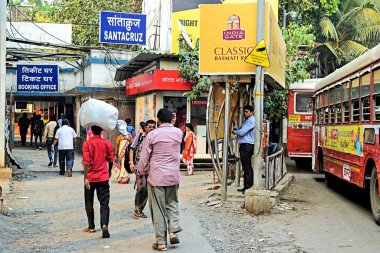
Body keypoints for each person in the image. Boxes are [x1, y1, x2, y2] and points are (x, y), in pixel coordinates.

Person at [138, 108, 183, 251]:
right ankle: (173, 230)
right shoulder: (178, 133)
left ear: (158, 120)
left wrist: (140, 173)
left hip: (156, 177)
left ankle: (161, 242)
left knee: (157, 209)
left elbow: (144, 157)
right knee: (172, 203)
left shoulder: (152, 135)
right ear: (171, 119)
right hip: (173, 176)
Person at [82, 125, 115, 238]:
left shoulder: (87, 143)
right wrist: (109, 171)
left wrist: (85, 177)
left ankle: (91, 227)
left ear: (91, 131)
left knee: (88, 201)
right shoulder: (107, 143)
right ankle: (104, 225)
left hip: (90, 177)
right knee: (104, 203)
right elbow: (111, 159)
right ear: (101, 131)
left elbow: (86, 162)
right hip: (103, 177)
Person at [130, 119, 156, 219]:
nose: (151, 129)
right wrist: (131, 162)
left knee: (147, 190)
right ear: (145, 127)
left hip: (150, 167)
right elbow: (132, 148)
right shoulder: (140, 136)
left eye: (153, 127)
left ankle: (140, 209)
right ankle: (137, 208)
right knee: (141, 187)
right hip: (139, 166)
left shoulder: (155, 137)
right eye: (149, 127)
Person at [233, 105, 255, 194]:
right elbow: (240, 130)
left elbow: (241, 132)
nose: (245, 114)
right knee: (245, 167)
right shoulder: (247, 121)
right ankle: (246, 186)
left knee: (247, 167)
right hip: (244, 145)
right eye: (244, 112)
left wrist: (234, 131)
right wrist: (235, 125)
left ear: (251, 112)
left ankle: (249, 186)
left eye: (246, 112)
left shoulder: (251, 121)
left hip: (247, 145)